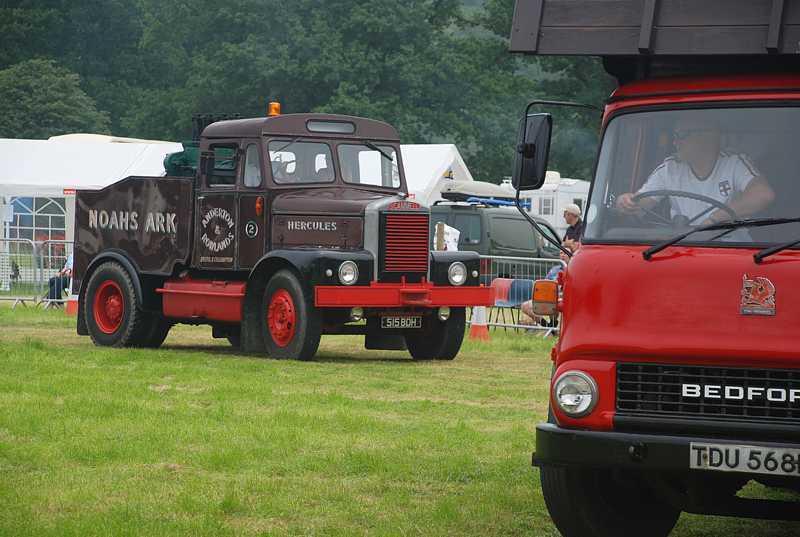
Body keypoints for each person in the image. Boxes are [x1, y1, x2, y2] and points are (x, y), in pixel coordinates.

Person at [615, 115, 774, 226]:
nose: (675, 142)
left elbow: (763, 195)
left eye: (681, 135)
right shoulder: (670, 168)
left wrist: (715, 219)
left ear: (706, 137)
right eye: (674, 136)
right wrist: (626, 202)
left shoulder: (733, 162)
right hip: (683, 247)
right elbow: (642, 204)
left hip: (732, 249)